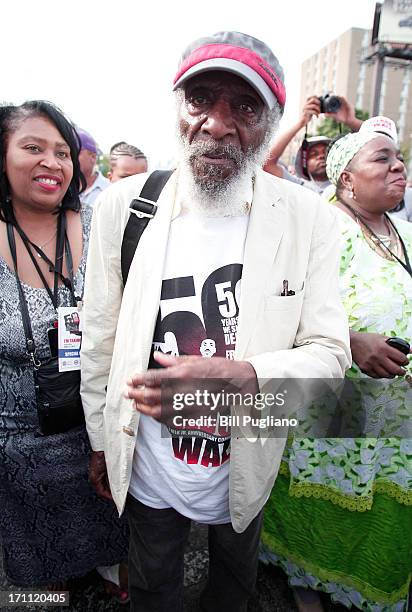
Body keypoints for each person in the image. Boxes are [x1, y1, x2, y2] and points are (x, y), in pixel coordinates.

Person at [80, 31, 351, 612]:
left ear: (273, 120)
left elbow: (331, 354)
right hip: (148, 461)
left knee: (234, 586)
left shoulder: (309, 220)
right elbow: (100, 334)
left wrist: (249, 374)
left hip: (247, 460)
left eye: (245, 107)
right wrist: (102, 442)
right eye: (200, 99)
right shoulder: (125, 206)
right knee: (153, 584)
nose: (217, 124)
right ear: (178, 108)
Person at [261, 128, 412, 611]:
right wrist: (351, 343)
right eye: (382, 159)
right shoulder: (318, 226)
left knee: (383, 509)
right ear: (346, 178)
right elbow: (278, 310)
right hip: (335, 407)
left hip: (396, 413)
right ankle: (308, 587)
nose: (398, 166)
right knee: (324, 499)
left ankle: (368, 590)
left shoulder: (404, 232)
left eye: (400, 158)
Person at [0, 101, 128, 598]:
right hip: (18, 438)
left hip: (100, 422)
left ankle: (110, 574)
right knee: (41, 553)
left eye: (62, 152)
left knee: (110, 529)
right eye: (32, 148)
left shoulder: (104, 226)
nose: (51, 162)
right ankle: (51, 586)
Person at [264, 95, 362, 194]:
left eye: (326, 153)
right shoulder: (299, 186)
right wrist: (302, 122)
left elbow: (377, 141)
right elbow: (266, 163)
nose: (321, 156)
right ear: (304, 164)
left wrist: (351, 121)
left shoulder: (349, 185)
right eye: (313, 154)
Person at [77, 128, 110, 206]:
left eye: (76, 151)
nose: (70, 157)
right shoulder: (62, 189)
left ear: (93, 157)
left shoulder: (109, 190)